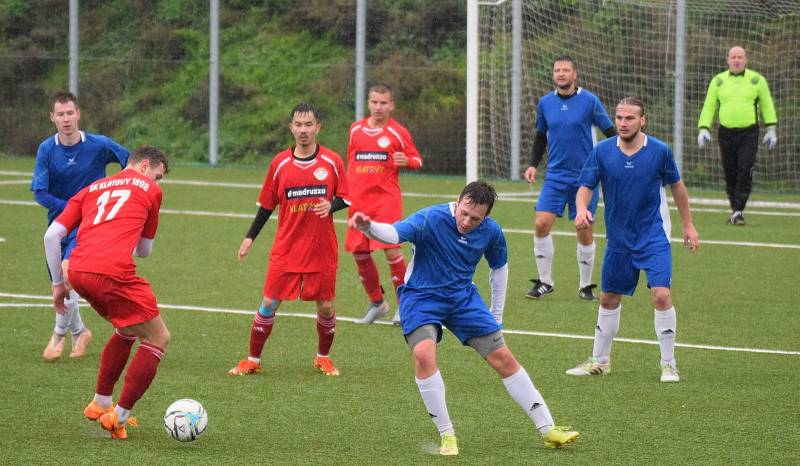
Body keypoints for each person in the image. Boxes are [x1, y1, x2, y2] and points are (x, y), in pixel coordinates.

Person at [349, 181, 579, 456]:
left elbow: (499, 269)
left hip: (461, 299)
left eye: (476, 218)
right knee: (424, 354)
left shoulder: (491, 232)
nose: (467, 221)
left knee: (504, 358)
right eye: (464, 213)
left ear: (486, 217)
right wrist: (369, 227)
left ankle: (548, 429)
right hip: (421, 297)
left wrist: (496, 315)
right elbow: (394, 232)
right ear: (457, 202)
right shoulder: (430, 218)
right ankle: (448, 436)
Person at [566, 97, 699, 383]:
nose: (623, 123)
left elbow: (677, 186)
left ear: (642, 120)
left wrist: (688, 224)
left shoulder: (659, 151)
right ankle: (599, 361)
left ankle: (668, 364)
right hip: (619, 240)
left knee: (661, 295)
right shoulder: (602, 151)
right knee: (608, 297)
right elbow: (585, 186)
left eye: (629, 118)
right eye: (619, 118)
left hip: (653, 236)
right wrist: (580, 210)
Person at [43, 145, 170, 439]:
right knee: (159, 337)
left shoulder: (92, 188)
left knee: (126, 330)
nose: (157, 182)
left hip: (77, 272)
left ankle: (100, 403)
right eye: (157, 175)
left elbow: (52, 235)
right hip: (112, 271)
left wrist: (58, 285)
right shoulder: (150, 190)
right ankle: (120, 417)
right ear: (145, 166)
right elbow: (144, 251)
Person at [229, 103, 349, 377]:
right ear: (291, 128)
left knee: (326, 305)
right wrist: (250, 237)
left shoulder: (332, 161)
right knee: (269, 302)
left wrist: (331, 205)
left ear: (318, 127)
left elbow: (346, 196)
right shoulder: (280, 163)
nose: (303, 130)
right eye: (298, 124)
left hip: (321, 248)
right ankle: (253, 360)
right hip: (287, 247)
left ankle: (323, 358)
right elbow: (267, 205)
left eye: (309, 125)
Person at [31, 90, 130, 361]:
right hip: (60, 224)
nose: (66, 119)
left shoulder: (98, 145)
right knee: (60, 283)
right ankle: (80, 332)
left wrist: (115, 191)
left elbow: (130, 162)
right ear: (53, 117)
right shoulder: (46, 149)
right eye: (60, 114)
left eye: (70, 113)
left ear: (79, 114)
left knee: (69, 274)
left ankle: (58, 336)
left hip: (88, 225)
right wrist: (72, 208)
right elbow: (39, 191)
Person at [523, 56, 615, 301]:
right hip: (555, 176)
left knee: (583, 228)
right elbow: (541, 136)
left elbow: (610, 131)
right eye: (557, 70)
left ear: (575, 74)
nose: (561, 73)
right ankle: (545, 281)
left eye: (566, 70)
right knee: (541, 223)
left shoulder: (589, 101)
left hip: (585, 178)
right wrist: (533, 164)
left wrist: (617, 158)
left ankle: (585, 286)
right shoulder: (545, 103)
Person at [345, 83, 423, 325]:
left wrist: (407, 160)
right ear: (368, 103)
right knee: (359, 252)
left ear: (391, 105)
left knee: (391, 249)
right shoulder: (355, 130)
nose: (378, 107)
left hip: (385, 200)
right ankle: (377, 303)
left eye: (383, 103)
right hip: (359, 201)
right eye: (375, 102)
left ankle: (404, 306)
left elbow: (417, 160)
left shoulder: (398, 132)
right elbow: (351, 163)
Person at [697, 46, 778, 226]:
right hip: (725, 133)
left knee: (745, 169)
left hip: (749, 133)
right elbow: (709, 106)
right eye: (733, 57)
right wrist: (703, 128)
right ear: (727, 60)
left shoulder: (757, 81)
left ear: (746, 59)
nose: (736, 60)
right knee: (730, 171)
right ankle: (735, 210)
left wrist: (771, 128)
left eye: (740, 57)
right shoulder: (718, 81)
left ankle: (739, 209)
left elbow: (766, 105)